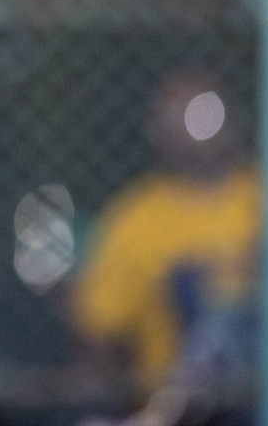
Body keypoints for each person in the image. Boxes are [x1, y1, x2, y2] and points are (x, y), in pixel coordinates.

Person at [70, 68, 258, 396]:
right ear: (157, 131)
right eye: (178, 116)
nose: (194, 129)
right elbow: (97, 329)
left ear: (233, 119)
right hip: (182, 403)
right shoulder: (133, 217)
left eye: (205, 112)